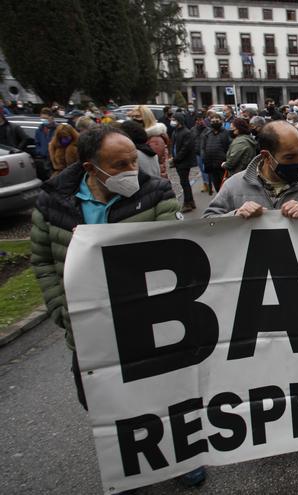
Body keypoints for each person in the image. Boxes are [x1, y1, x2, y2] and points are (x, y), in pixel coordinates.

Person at [29, 127, 206, 486]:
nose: (130, 169)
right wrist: (60, 310)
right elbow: (43, 261)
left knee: (164, 390)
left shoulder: (154, 192)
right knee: (102, 397)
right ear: (90, 167)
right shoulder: (53, 202)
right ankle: (128, 466)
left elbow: (178, 247)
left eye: (132, 160)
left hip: (151, 319)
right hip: (90, 324)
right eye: (119, 164)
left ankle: (180, 456)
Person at [203, 120, 298, 218]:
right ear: (266, 157)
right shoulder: (234, 186)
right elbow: (206, 224)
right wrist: (235, 216)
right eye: (289, 157)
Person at [169, 112, 198, 212]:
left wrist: (176, 158)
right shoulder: (175, 131)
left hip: (184, 161)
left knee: (184, 182)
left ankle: (187, 203)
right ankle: (191, 201)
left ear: (179, 121)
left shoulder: (186, 132)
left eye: (174, 119)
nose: (171, 121)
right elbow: (173, 146)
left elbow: (185, 149)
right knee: (184, 182)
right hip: (178, 161)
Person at [201, 112, 232, 193]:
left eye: (216, 121)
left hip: (222, 165)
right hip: (211, 164)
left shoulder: (226, 133)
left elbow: (230, 147)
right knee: (217, 185)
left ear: (221, 121)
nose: (214, 123)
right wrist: (204, 158)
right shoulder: (207, 133)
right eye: (213, 121)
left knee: (225, 186)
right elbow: (203, 147)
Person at [34, 108, 57, 179]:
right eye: (42, 118)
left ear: (51, 117)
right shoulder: (39, 130)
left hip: (56, 159)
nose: (43, 120)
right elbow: (37, 143)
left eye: (45, 118)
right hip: (44, 159)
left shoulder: (58, 128)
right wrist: (40, 151)